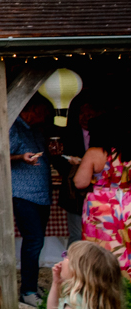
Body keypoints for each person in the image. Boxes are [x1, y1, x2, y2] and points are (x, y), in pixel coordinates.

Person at [74, 114, 131, 274]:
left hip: (102, 205)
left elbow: (80, 182)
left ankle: (104, 283)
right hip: (128, 202)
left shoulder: (94, 152)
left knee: (102, 247)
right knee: (128, 245)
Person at [9, 98, 52, 306]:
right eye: (44, 111)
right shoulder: (12, 125)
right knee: (33, 241)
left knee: (38, 241)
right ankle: (27, 291)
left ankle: (32, 286)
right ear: (33, 109)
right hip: (23, 193)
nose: (46, 117)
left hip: (41, 193)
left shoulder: (36, 129)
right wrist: (20, 158)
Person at [55, 101, 100, 244]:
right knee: (76, 235)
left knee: (98, 233)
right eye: (82, 114)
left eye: (90, 115)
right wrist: (72, 167)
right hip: (74, 192)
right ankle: (72, 265)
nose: (85, 117)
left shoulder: (102, 134)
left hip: (98, 191)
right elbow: (57, 159)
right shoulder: (68, 133)